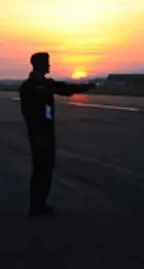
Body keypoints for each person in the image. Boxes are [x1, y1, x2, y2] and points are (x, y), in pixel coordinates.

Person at [19, 52, 96, 216]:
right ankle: (36, 205)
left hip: (47, 131)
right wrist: (36, 133)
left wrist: (87, 86)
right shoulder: (28, 87)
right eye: (46, 62)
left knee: (47, 167)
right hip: (38, 132)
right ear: (39, 65)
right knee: (40, 168)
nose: (49, 65)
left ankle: (41, 203)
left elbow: (66, 89)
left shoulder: (47, 84)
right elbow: (28, 113)